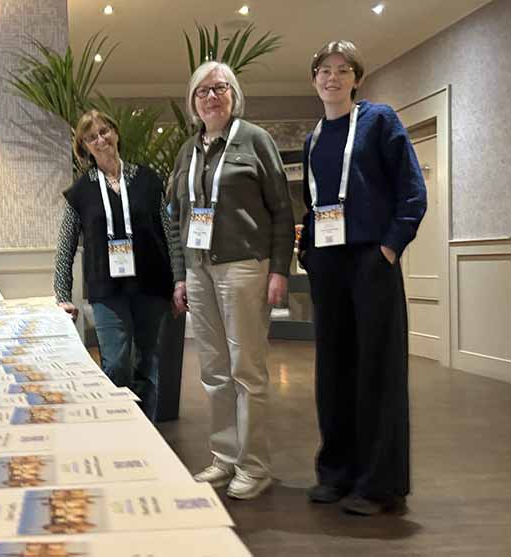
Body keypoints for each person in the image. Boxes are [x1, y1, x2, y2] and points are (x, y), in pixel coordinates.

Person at [299, 40, 426, 515]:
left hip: (372, 261)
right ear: (314, 81)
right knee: (332, 371)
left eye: (342, 70)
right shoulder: (313, 138)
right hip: (329, 266)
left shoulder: (380, 121)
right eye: (323, 70)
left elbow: (412, 192)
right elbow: (314, 204)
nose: (332, 78)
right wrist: (308, 253)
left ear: (356, 78)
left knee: (377, 369)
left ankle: (378, 484)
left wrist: (390, 247)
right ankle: (336, 474)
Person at [168, 61, 293, 500]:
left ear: (233, 95)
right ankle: (224, 456)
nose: (211, 97)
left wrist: (280, 269)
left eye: (219, 88)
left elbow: (281, 210)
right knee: (214, 372)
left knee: (247, 371)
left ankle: (254, 465)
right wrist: (181, 273)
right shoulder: (188, 150)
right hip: (199, 270)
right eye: (202, 91)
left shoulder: (255, 140)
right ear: (192, 101)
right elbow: (175, 216)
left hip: (244, 267)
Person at [53, 109, 184, 421]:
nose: (101, 139)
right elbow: (66, 246)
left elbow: (170, 234)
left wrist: (179, 280)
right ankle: (118, 426)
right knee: (116, 364)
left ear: (116, 133)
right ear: (83, 146)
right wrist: (62, 295)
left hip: (151, 286)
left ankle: (146, 431)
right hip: (107, 290)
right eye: (91, 136)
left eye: (105, 130)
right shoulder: (81, 192)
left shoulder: (149, 181)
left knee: (147, 364)